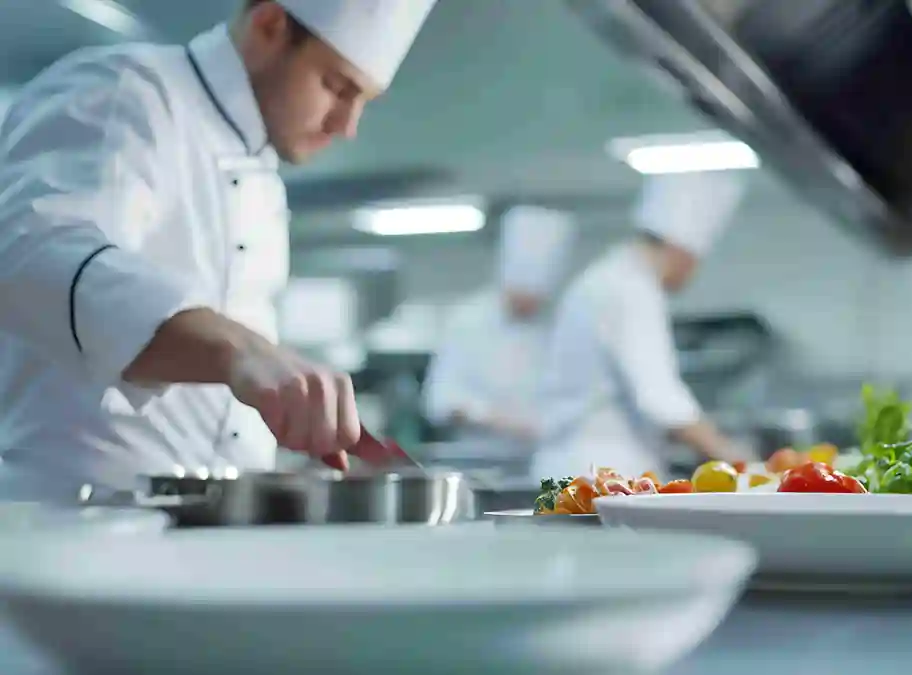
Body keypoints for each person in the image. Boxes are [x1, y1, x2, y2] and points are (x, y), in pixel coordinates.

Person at [0, 0, 438, 502]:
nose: (347, 124)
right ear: (270, 25)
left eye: (365, 100)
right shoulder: (128, 92)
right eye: (338, 86)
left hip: (204, 534)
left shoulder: (264, 178)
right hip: (80, 527)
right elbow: (30, 255)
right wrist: (240, 351)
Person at [532, 171, 754, 480]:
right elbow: (661, 398)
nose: (693, 273)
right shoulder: (631, 290)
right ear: (680, 249)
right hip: (601, 472)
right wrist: (735, 457)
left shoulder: (605, 278)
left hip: (577, 466)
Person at [422, 206, 577, 455]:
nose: (532, 306)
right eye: (525, 295)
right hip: (476, 459)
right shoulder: (468, 322)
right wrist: (498, 419)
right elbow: (441, 401)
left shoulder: (550, 326)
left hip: (534, 460)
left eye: (538, 298)